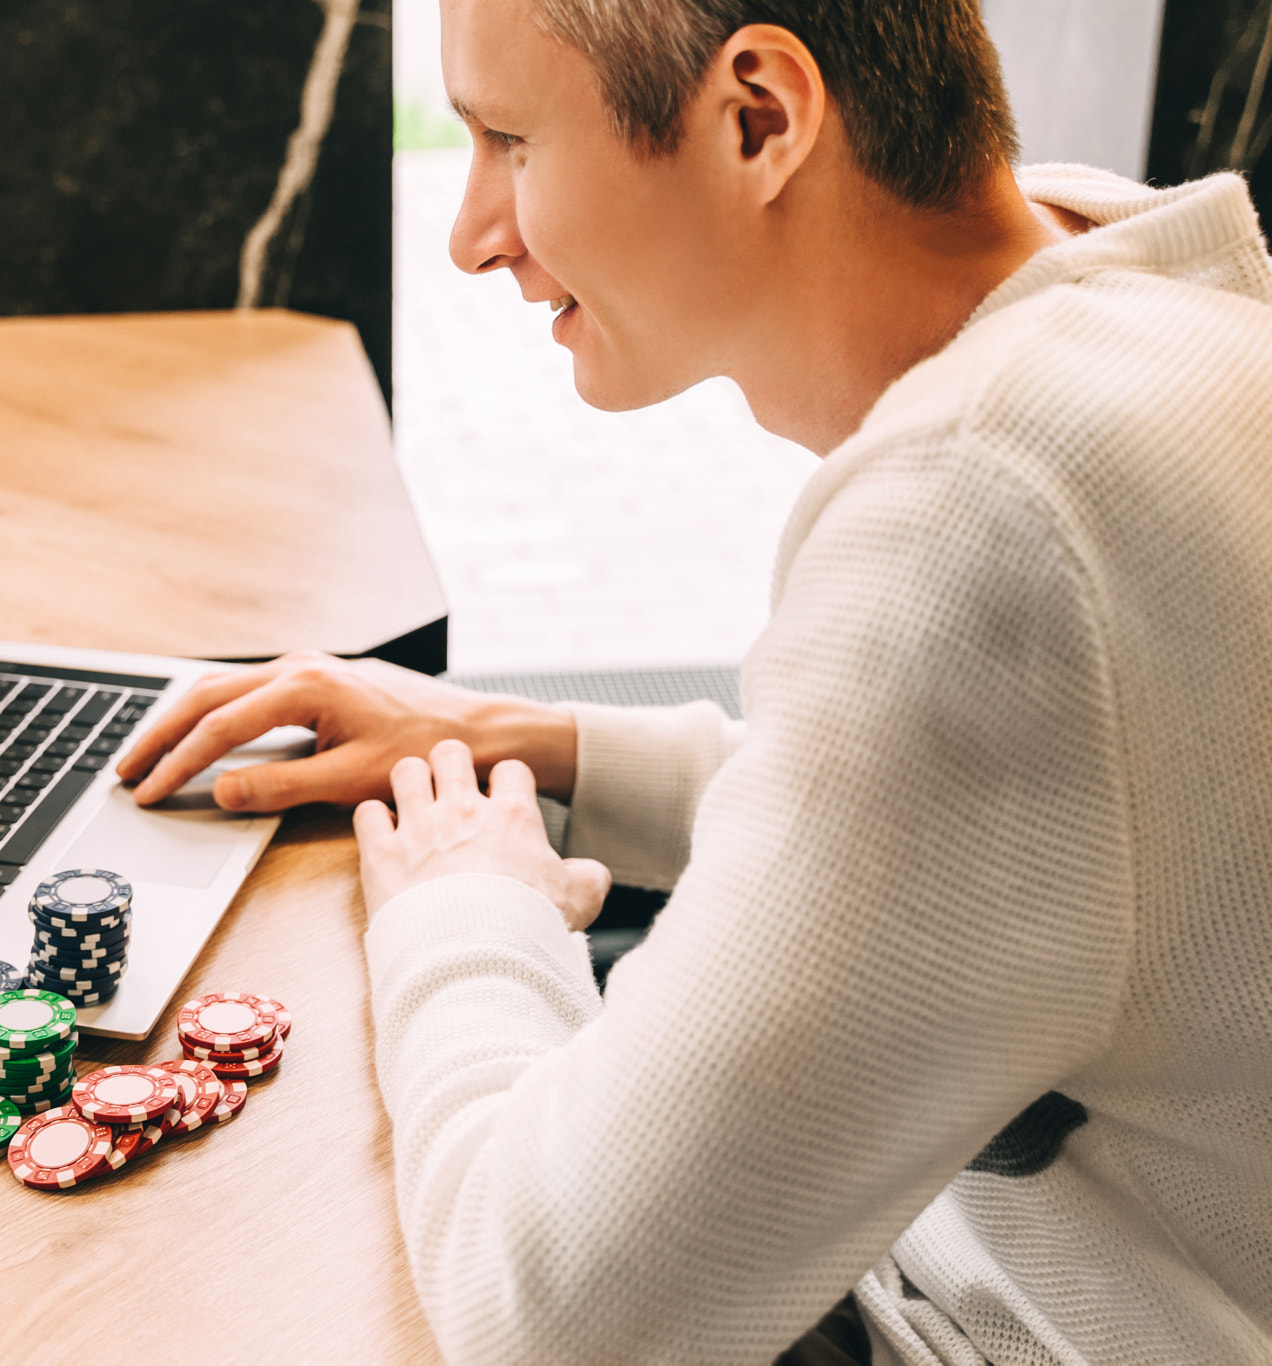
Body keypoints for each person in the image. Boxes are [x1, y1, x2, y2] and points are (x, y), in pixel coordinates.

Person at [118, 0, 1272, 1361]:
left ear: (760, 120)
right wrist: (519, 741)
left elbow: (544, 1316)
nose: (471, 232)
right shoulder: (1148, 289)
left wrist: (465, 906)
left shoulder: (990, 513)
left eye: (509, 141)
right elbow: (995, 833)